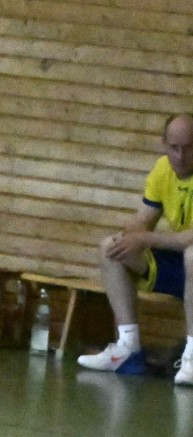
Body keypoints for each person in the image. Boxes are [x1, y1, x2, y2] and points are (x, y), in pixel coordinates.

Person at [77, 112, 193, 384]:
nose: (180, 156)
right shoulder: (162, 170)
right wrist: (129, 236)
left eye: (189, 148)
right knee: (111, 248)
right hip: (181, 267)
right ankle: (128, 348)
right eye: (174, 148)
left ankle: (192, 354)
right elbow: (143, 219)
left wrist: (144, 238)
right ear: (164, 145)